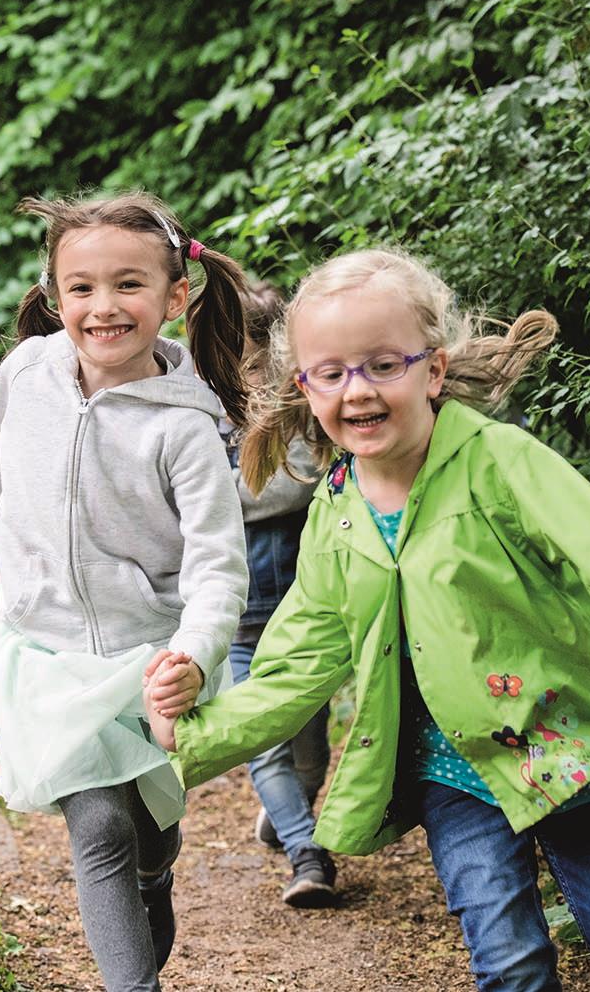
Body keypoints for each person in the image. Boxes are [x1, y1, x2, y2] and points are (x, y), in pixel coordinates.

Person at [144, 249, 590, 991]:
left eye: (383, 365)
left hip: (569, 739)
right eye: (333, 372)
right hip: (452, 767)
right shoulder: (337, 513)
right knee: (507, 958)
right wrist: (192, 734)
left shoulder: (500, 462)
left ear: (434, 371)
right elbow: (299, 660)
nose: (358, 389)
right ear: (306, 388)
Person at [0, 192, 251, 992]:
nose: (103, 307)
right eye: (80, 288)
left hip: (149, 660)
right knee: (100, 824)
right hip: (41, 651)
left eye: (128, 285)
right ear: (53, 296)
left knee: (146, 832)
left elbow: (219, 566)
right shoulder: (26, 371)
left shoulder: (186, 428)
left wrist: (194, 651)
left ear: (175, 296)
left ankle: (157, 875)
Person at [222, 278, 335, 907]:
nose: (250, 365)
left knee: (310, 742)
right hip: (239, 614)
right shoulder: (204, 406)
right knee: (261, 735)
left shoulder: (301, 404)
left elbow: (298, 486)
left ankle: (293, 813)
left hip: (306, 609)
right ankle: (306, 851)